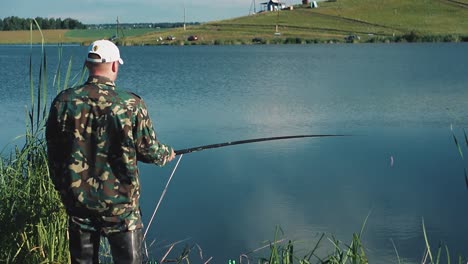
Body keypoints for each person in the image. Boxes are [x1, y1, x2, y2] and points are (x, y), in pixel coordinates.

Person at [46, 39, 176, 263]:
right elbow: (148, 150)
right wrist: (167, 153)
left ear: (88, 65)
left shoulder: (63, 101)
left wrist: (64, 190)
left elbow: (54, 154)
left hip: (79, 203)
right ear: (115, 65)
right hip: (121, 207)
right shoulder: (130, 104)